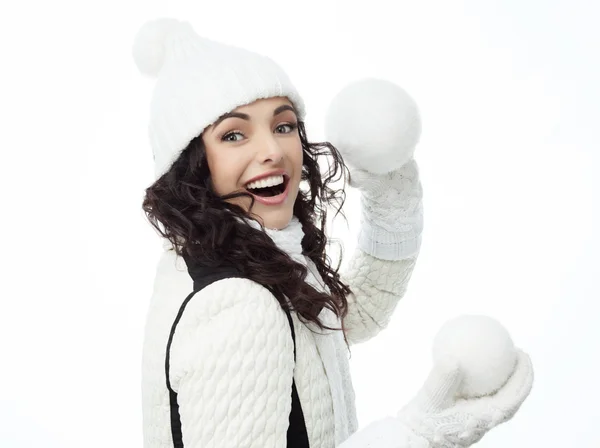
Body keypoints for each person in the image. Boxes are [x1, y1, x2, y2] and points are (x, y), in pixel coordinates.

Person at [133, 18, 533, 448]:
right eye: (234, 134)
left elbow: (344, 317)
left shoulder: (224, 254)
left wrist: (390, 192)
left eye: (283, 125)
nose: (273, 151)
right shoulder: (238, 305)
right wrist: (416, 436)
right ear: (193, 164)